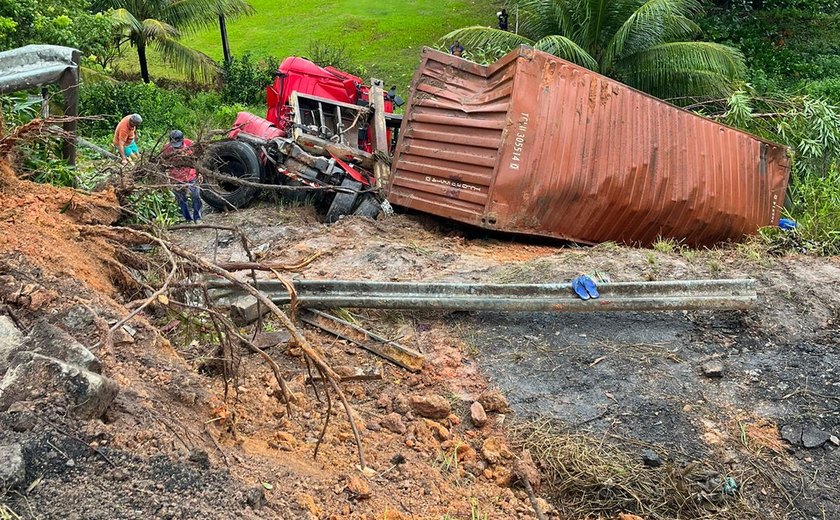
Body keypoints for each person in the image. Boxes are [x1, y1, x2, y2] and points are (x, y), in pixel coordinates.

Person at [163, 130, 202, 223]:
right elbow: (163, 164)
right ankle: (188, 218)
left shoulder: (190, 144)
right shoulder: (166, 149)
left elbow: (197, 159)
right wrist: (166, 178)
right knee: (181, 199)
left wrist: (199, 172)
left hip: (190, 174)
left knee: (196, 195)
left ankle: (197, 217)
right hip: (176, 177)